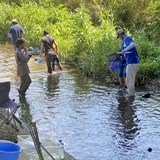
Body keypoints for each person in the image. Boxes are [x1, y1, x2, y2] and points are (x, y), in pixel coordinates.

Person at [117, 29, 139, 96]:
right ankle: (131, 94)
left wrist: (124, 50)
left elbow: (133, 45)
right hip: (131, 62)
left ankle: (131, 95)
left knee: (129, 80)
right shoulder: (125, 40)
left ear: (121, 34)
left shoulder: (127, 38)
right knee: (130, 79)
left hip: (132, 62)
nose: (119, 38)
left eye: (119, 36)